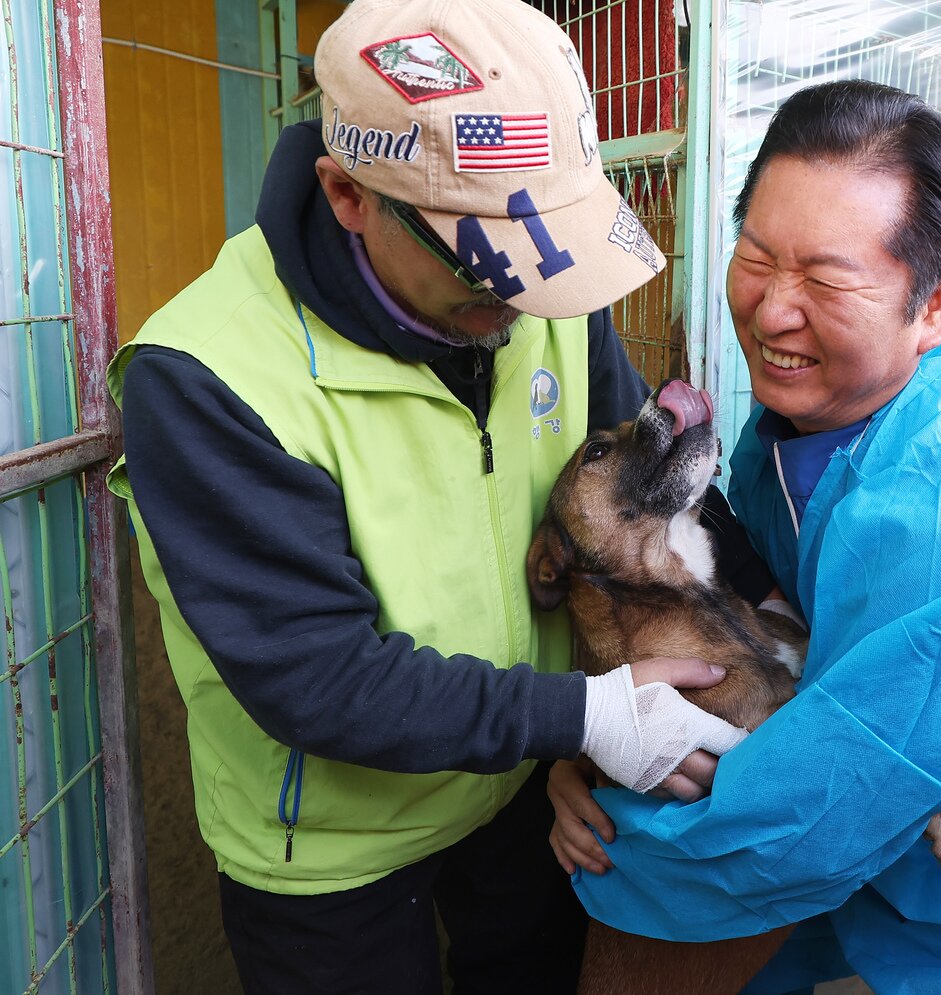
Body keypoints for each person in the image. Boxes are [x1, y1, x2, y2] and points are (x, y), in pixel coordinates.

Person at [104, 0, 767, 990]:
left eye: (542, 260)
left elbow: (645, 492)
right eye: (479, 262)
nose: (518, 300)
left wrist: (734, 630)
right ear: (346, 193)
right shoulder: (207, 373)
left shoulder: (537, 296)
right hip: (335, 846)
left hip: (527, 786)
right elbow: (314, 675)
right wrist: (581, 718)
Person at [547, 79, 941, 993]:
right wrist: (587, 746)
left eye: (827, 278)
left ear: (938, 304)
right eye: (754, 255)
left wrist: (611, 820)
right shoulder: (817, 418)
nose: (773, 311)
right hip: (883, 864)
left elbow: (807, 817)